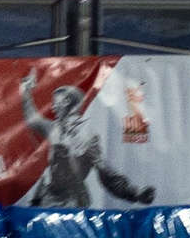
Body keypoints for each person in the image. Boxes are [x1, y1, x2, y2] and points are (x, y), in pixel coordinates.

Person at [18, 71, 156, 208]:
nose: (52, 107)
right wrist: (26, 90)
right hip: (46, 197)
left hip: (70, 203)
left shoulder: (87, 137)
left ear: (66, 102)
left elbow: (109, 176)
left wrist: (135, 193)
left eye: (55, 103)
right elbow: (32, 118)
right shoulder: (53, 128)